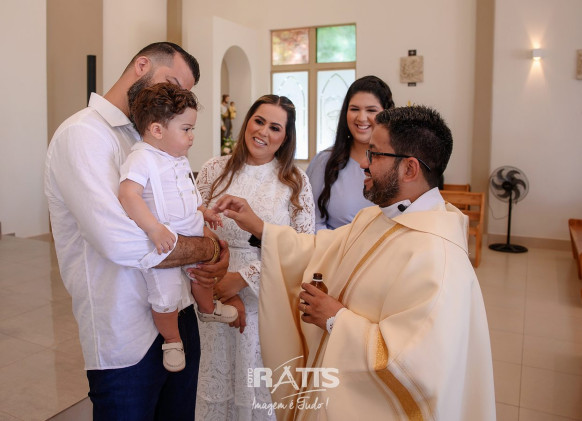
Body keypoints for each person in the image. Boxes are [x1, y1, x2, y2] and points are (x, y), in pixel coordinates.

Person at [215, 105, 496, 420]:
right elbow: (320, 249)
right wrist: (261, 228)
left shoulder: (437, 259)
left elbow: (415, 369)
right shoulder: (377, 216)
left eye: (374, 154)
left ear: (410, 169)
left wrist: (335, 319)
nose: (363, 163)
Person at [45, 42, 231, 421]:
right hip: (127, 334)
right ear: (142, 65)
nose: (175, 100)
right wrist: (207, 249)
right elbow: (122, 242)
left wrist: (205, 235)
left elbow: (180, 208)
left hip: (180, 312)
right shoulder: (83, 134)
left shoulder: (155, 134)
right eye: (172, 83)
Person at [195, 94, 315, 419]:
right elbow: (192, 225)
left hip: (264, 298)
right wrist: (220, 283)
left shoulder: (295, 181)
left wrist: (244, 278)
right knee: (213, 378)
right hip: (211, 287)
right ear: (247, 121)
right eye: (259, 121)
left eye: (275, 127)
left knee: (256, 388)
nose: (263, 132)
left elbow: (304, 248)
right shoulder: (214, 169)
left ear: (285, 138)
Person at [118, 82, 237, 373]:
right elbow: (128, 195)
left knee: (202, 276)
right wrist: (153, 229)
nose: (192, 136)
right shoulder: (141, 158)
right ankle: (172, 340)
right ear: (157, 130)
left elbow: (189, 193)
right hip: (166, 238)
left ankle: (208, 309)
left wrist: (204, 212)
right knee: (166, 295)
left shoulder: (179, 159)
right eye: (186, 129)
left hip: (193, 230)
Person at [306, 75, 394, 231]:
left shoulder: (398, 163)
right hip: (332, 245)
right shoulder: (324, 161)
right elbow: (312, 220)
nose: (361, 118)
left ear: (386, 114)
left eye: (371, 110)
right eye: (354, 109)